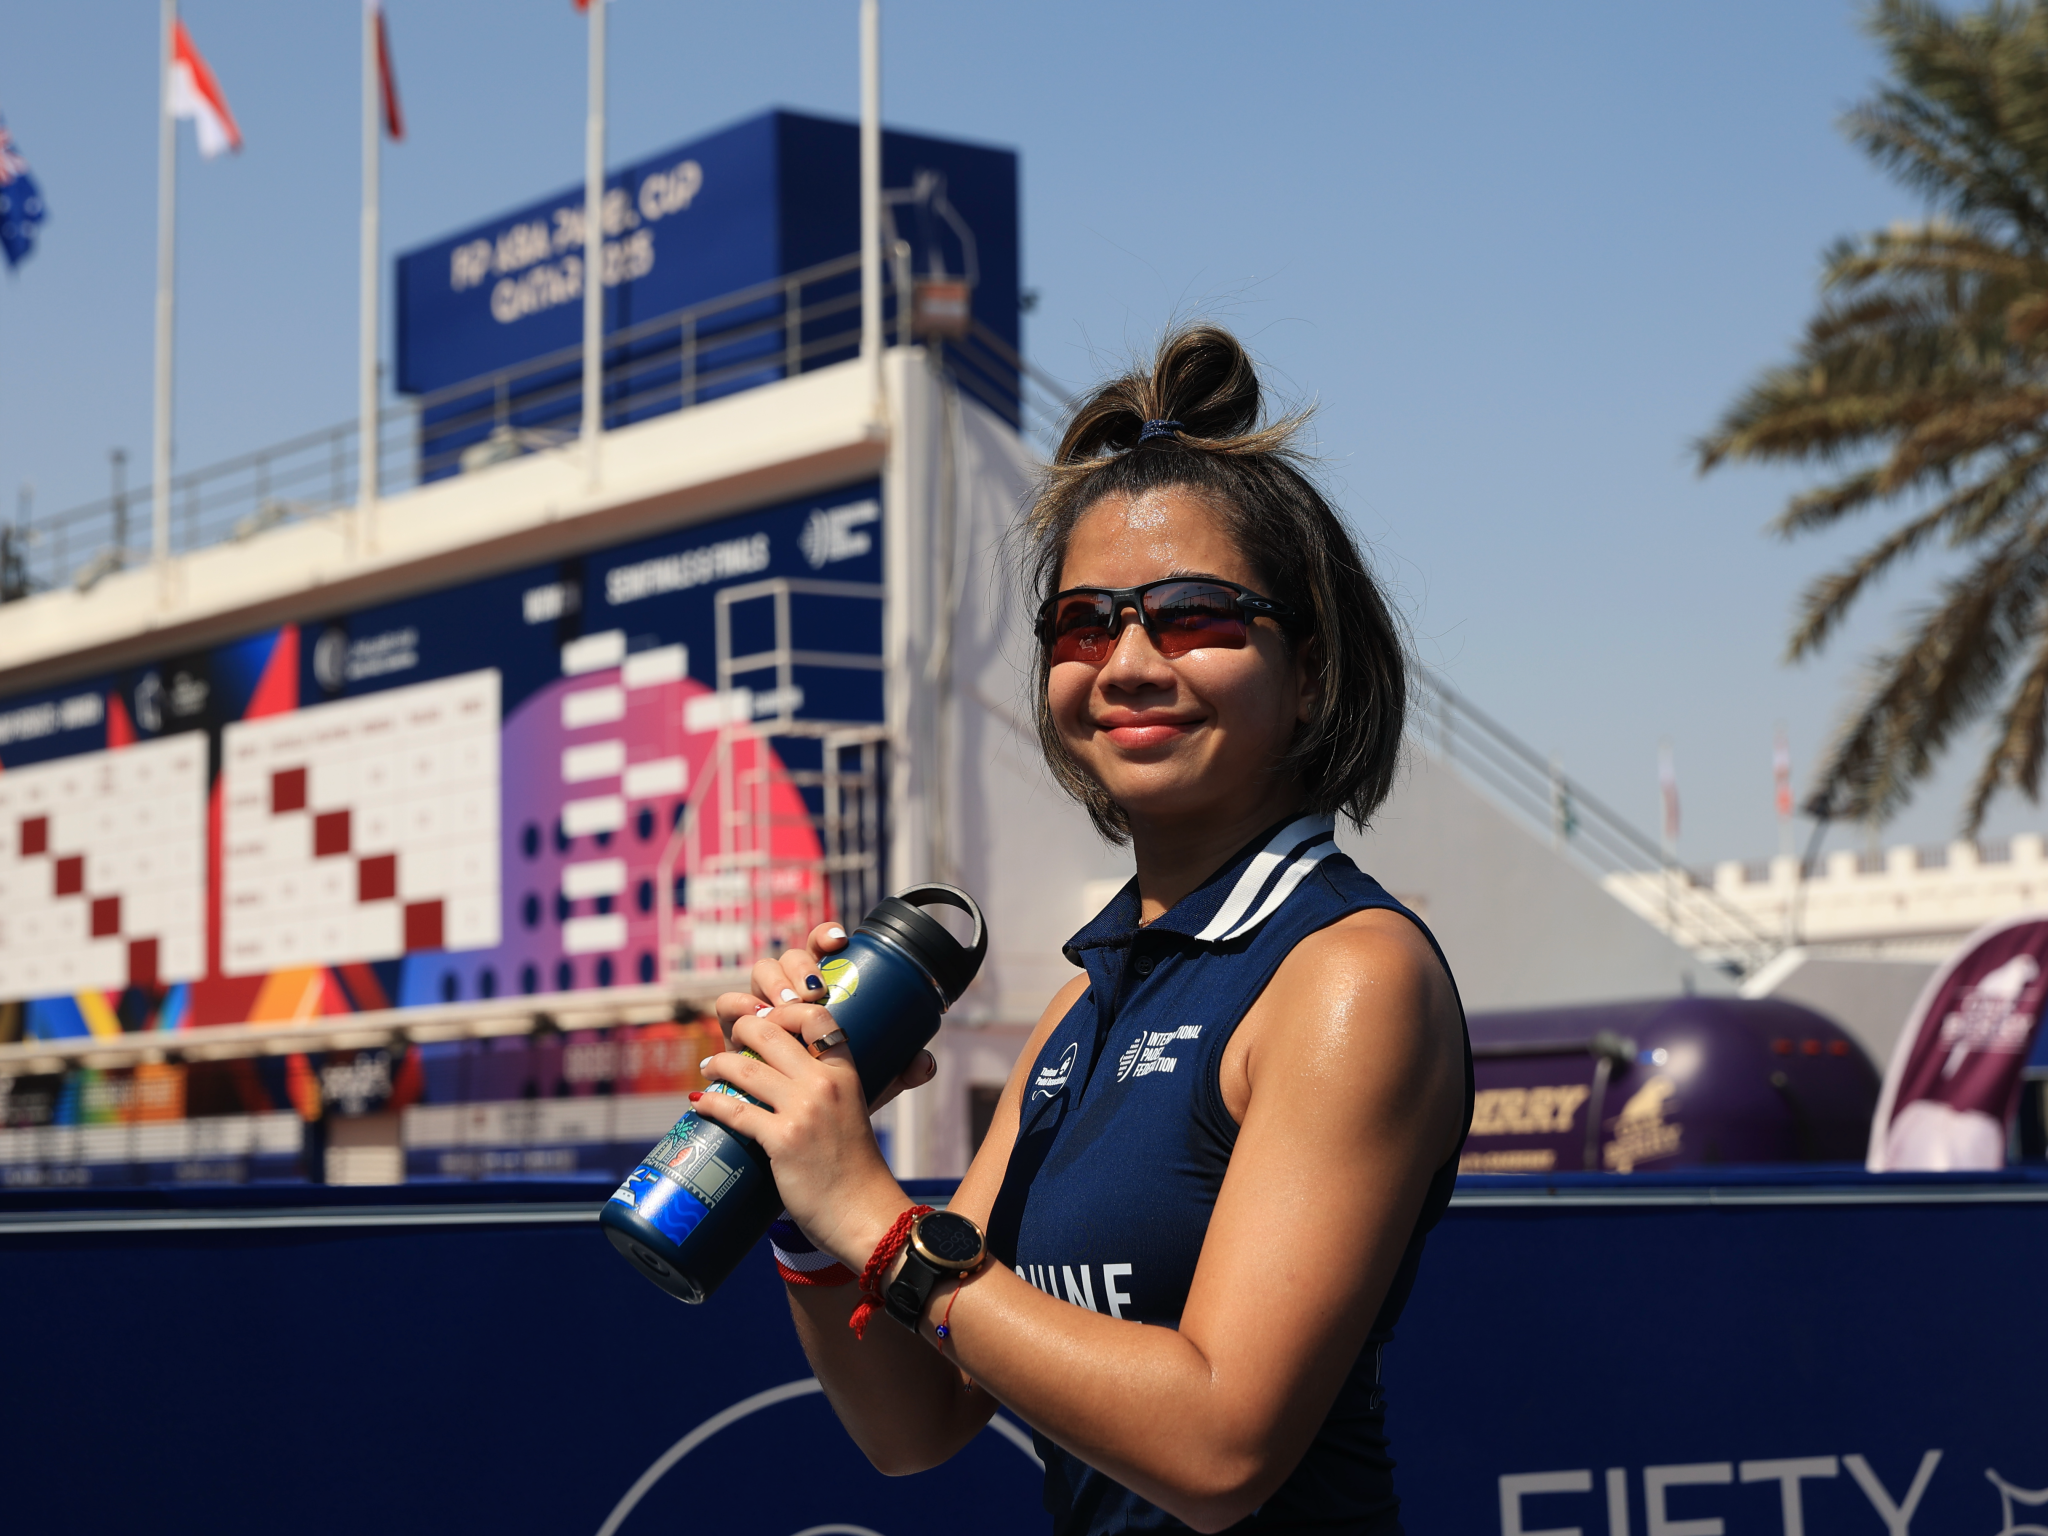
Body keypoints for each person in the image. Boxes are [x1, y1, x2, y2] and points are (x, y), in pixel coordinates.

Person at [687, 324, 1473, 1535]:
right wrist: (804, 1189)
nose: (1129, 663)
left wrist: (875, 1218)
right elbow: (916, 1424)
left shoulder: (1348, 977)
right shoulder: (1081, 1002)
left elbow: (1219, 1448)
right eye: (1084, 624)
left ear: (1309, 672)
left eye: (1195, 615)